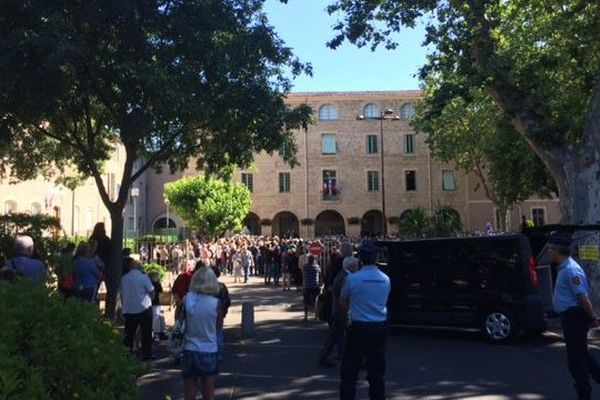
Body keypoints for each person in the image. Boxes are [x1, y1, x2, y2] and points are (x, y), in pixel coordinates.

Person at [550, 234, 600, 400]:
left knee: (576, 362)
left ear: (557, 251)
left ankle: (584, 395)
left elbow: (582, 297)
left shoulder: (571, 269)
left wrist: (592, 317)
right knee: (583, 355)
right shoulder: (565, 268)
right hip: (570, 318)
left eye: (551, 249)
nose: (549, 252)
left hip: (574, 318)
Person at [339, 241, 391, 400]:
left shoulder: (353, 279)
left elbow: (343, 300)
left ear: (360, 258)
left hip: (358, 327)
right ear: (376, 258)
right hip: (378, 327)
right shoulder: (385, 279)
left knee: (350, 372)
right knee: (377, 373)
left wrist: (352, 310)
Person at [182, 267, 223, 400]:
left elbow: (180, 320)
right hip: (209, 348)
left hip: (190, 347)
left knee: (189, 389)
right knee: (208, 391)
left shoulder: (187, 299)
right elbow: (218, 327)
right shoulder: (216, 303)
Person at [319, 256, 359, 367]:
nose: (357, 267)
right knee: (336, 335)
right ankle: (326, 356)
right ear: (351, 266)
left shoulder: (343, 275)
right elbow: (345, 296)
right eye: (356, 265)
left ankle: (339, 355)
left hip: (338, 310)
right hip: (341, 311)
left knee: (338, 335)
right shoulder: (345, 277)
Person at [121, 260, 155, 361]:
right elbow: (152, 291)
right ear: (140, 267)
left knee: (129, 333)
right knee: (146, 332)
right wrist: (150, 299)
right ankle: (146, 354)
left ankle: (127, 353)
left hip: (129, 308)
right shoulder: (143, 277)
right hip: (143, 307)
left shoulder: (124, 278)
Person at [302, 255, 322, 321]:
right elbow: (320, 275)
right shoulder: (317, 266)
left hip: (307, 285)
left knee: (306, 301)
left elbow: (303, 274)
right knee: (316, 301)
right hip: (315, 285)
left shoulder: (305, 267)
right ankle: (316, 316)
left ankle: (306, 316)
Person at [149, 271, 166, 341]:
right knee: (157, 318)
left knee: (154, 319)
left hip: (151, 303)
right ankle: (159, 333)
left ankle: (156, 334)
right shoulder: (157, 283)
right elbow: (161, 290)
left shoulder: (149, 283)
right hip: (156, 302)